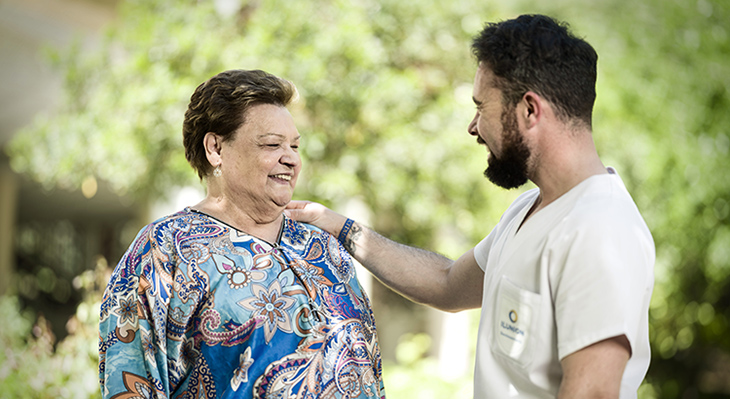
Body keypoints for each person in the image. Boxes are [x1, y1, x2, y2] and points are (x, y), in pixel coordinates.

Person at [286, 14, 655, 399]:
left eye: (482, 106)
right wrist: (338, 227)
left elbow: (592, 394)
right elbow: (447, 283)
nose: (473, 126)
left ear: (530, 110)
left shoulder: (600, 230)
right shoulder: (531, 208)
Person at [99, 69, 385, 399]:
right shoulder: (163, 250)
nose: (291, 158)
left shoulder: (322, 246)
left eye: (294, 145)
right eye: (273, 144)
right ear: (216, 148)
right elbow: (130, 382)